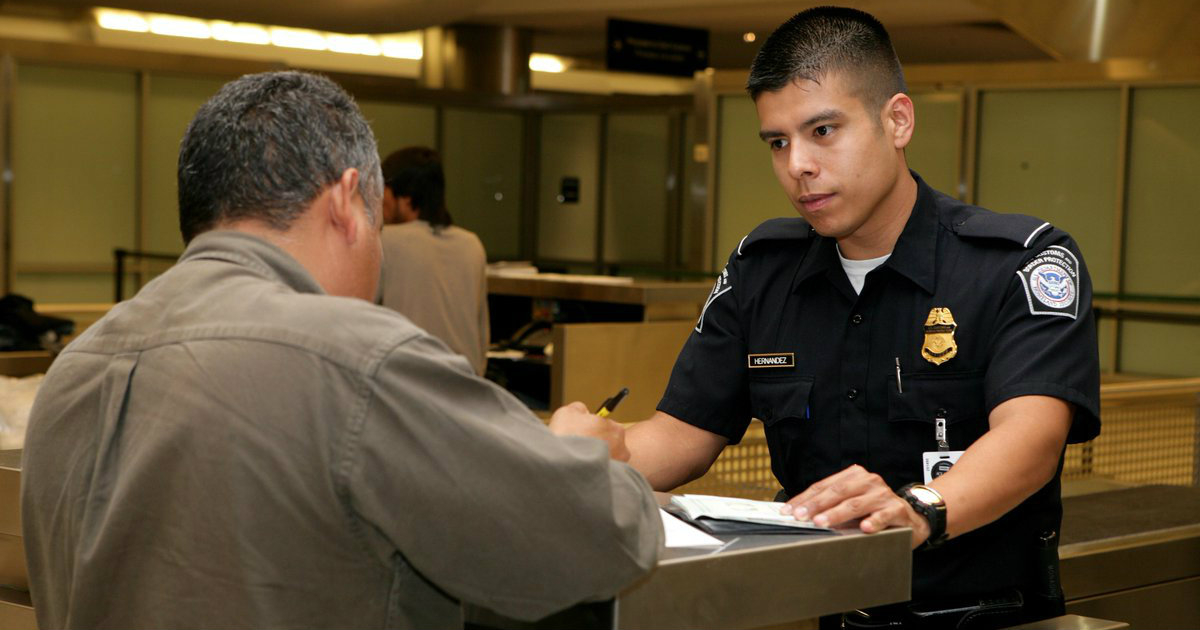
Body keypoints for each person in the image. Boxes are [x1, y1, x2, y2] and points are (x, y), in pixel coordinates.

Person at [19, 71, 661, 630]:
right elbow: (592, 543)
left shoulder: (77, 365)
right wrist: (590, 458)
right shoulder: (357, 358)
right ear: (347, 201)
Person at [625, 7, 1099, 629]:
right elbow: (678, 436)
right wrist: (577, 459)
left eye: (823, 131)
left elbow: (1031, 438)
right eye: (778, 142)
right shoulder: (764, 270)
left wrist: (919, 510)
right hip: (825, 611)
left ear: (897, 120)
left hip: (984, 615)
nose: (797, 164)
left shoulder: (1016, 265)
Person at [378, 147, 489, 375]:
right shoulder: (472, 245)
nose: (380, 201)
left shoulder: (386, 241)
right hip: (467, 385)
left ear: (406, 199)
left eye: (385, 190)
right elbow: (482, 334)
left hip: (407, 383)